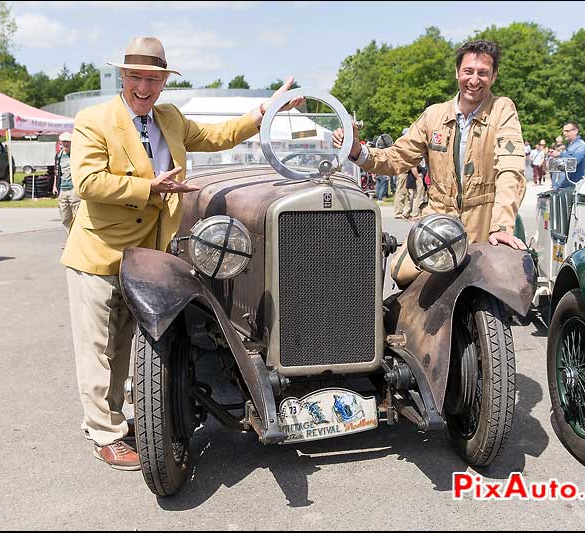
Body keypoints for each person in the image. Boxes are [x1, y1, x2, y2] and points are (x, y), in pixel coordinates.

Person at [60, 36, 303, 471]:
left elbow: (217, 135)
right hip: (98, 254)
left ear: (163, 83)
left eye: (153, 79)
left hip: (149, 255)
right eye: (136, 77)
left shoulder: (169, 118)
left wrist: (262, 113)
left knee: (135, 346)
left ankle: (129, 419)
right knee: (98, 348)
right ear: (123, 76)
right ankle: (105, 434)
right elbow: (88, 183)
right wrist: (149, 187)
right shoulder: (93, 120)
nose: (144, 87)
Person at [332, 39, 526, 286]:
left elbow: (511, 169)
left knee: (503, 285)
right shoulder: (434, 115)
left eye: (482, 73)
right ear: (457, 72)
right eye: (468, 71)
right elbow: (396, 157)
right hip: (438, 221)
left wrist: (500, 227)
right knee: (401, 273)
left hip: (484, 223)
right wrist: (358, 150)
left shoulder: (502, 109)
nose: (474, 80)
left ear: (494, 76)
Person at [53, 132, 79, 233]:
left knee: (76, 217)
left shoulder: (76, 155)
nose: (66, 144)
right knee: (65, 218)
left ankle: (77, 241)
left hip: (74, 189)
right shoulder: (59, 156)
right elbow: (56, 171)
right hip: (62, 190)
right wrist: (55, 186)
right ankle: (70, 240)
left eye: (68, 142)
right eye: (64, 142)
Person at [549, 121, 585, 189]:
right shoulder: (570, 145)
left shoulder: (581, 146)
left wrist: (559, 154)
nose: (564, 133)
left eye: (567, 131)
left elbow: (574, 162)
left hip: (571, 187)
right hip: (562, 187)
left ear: (575, 131)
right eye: (563, 131)